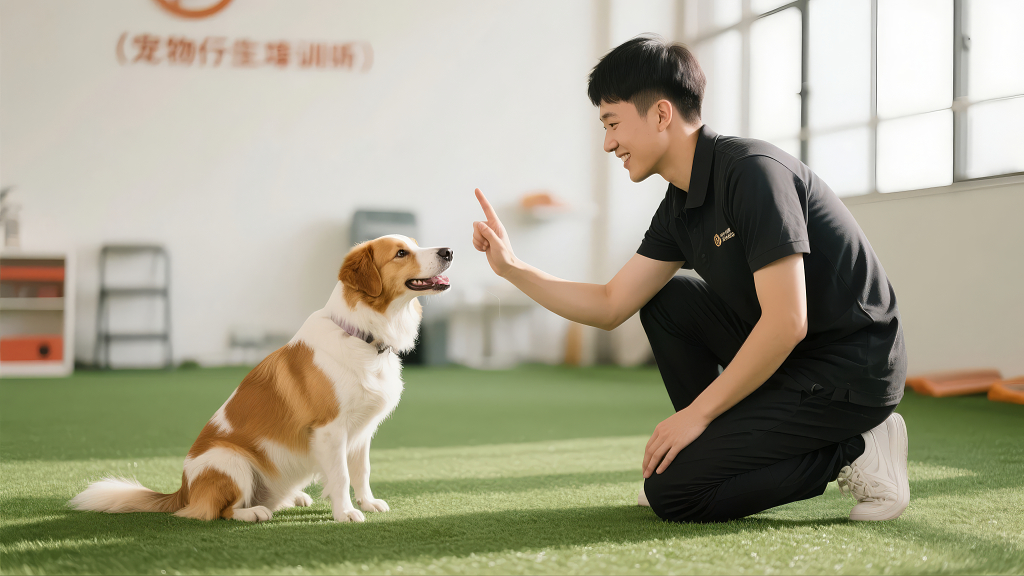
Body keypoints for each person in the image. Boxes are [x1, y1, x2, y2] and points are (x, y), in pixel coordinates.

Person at [471, 36, 909, 523]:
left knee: (676, 495)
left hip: (849, 372)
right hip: (792, 363)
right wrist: (513, 268)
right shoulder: (679, 204)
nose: (608, 143)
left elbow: (788, 322)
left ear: (661, 114)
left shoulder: (752, 173)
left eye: (613, 123)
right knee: (667, 298)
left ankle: (855, 448)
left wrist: (695, 415)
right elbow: (613, 303)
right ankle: (703, 454)